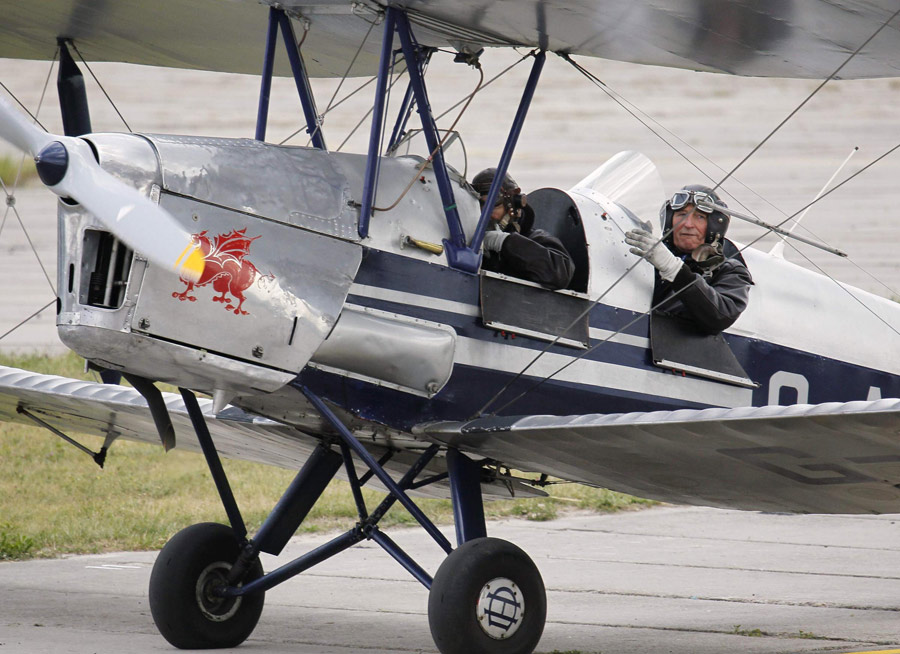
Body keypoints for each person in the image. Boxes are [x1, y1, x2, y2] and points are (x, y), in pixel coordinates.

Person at [624, 184, 752, 334]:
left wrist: (674, 269)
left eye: (699, 217)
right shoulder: (647, 257)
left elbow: (720, 316)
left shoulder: (731, 271)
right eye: (681, 214)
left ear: (713, 226)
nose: (687, 224)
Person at [472, 168, 574, 290]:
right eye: (480, 206)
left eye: (494, 205)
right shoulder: (471, 243)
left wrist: (504, 242)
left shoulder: (537, 239)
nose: (487, 215)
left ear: (513, 204)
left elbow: (560, 274)